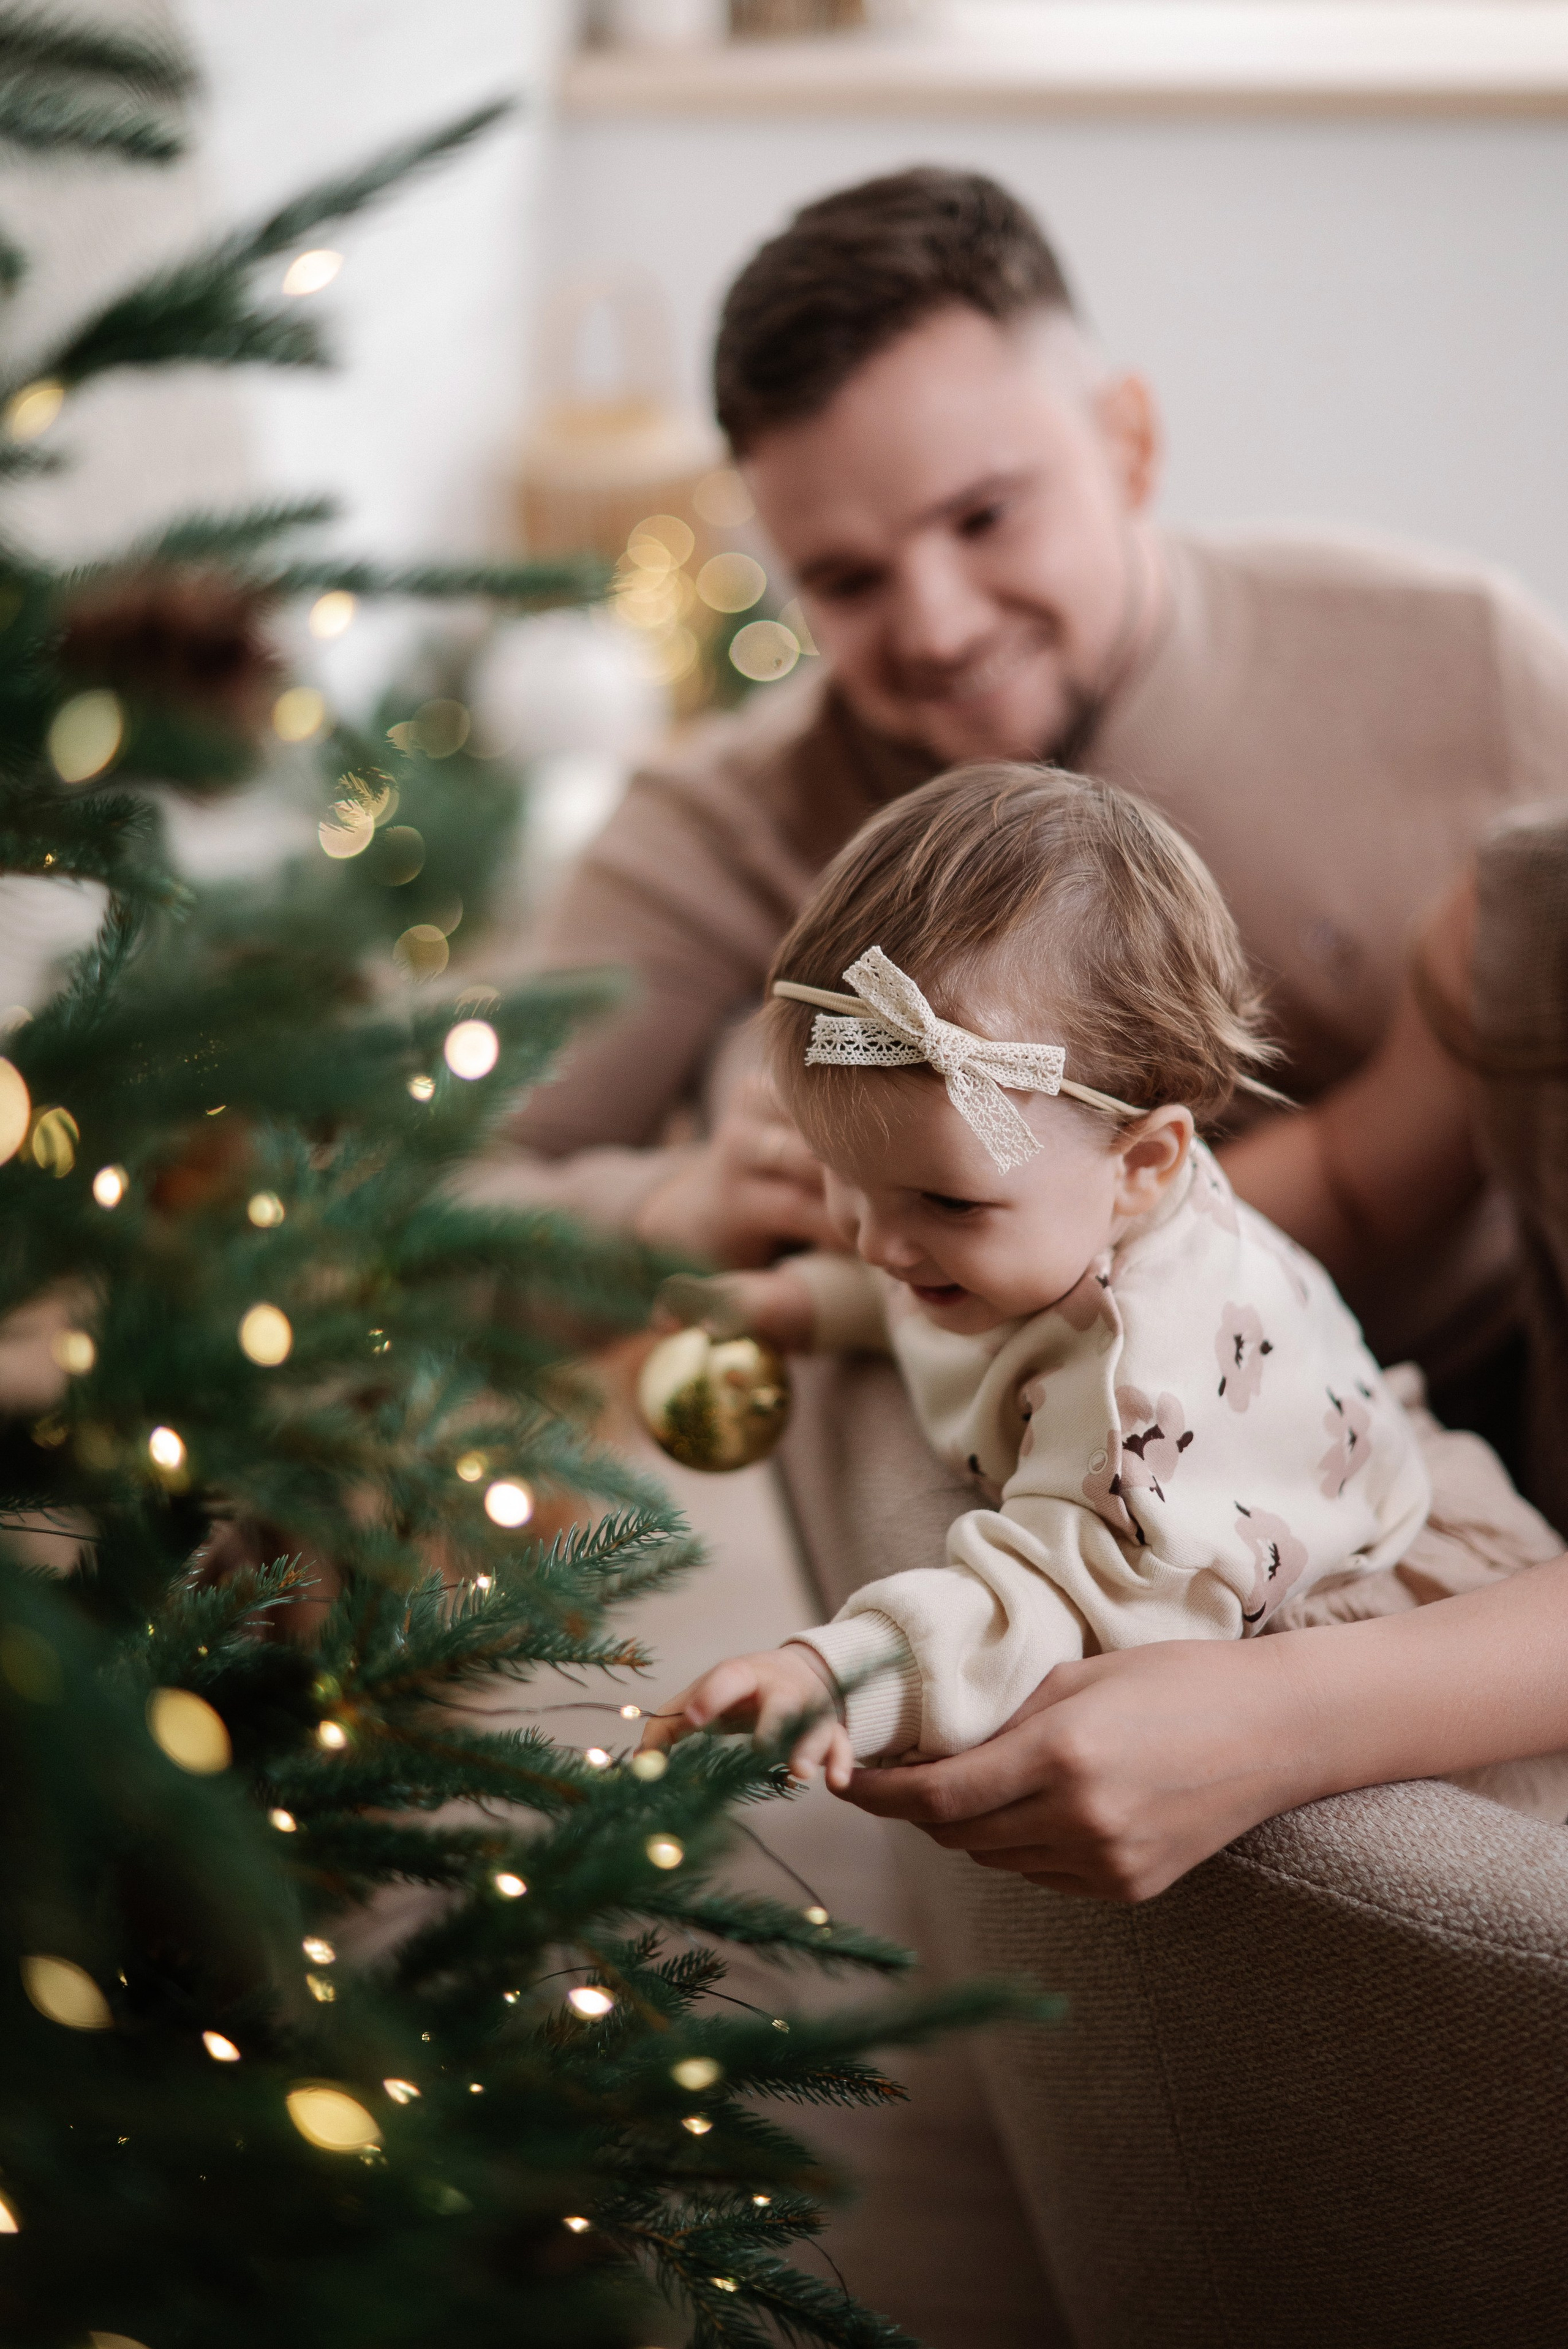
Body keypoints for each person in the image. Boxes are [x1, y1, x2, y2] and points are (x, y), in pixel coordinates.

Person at [494, 165, 1568, 1896]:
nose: (931, 622)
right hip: (1183, 1483)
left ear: (1126, 441)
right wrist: (669, 1208)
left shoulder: (1459, 665)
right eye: (845, 577)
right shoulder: (729, 832)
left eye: (987, 516)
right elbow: (421, 1187)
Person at [639, 767, 1558, 1804]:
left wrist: (835, 1676)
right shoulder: (1045, 1215)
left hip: (1363, 1613)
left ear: (1145, 1164)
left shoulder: (1137, 1394)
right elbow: (953, 1300)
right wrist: (803, 1303)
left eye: (945, 1205)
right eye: (846, 1181)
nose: (881, 1245)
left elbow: (1042, 1608)